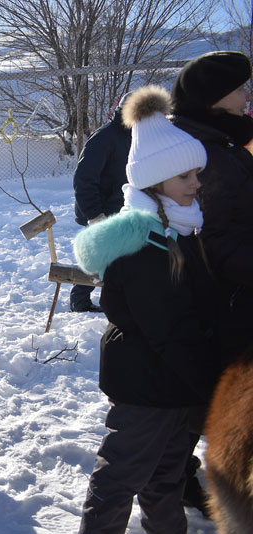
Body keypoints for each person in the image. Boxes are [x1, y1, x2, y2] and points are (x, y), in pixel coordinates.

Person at [74, 86, 222, 533]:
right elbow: (168, 329)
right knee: (119, 479)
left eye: (196, 173)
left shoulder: (181, 229)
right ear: (155, 184)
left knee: (168, 478)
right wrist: (207, 383)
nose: (196, 183)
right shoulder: (146, 248)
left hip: (178, 385)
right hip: (149, 388)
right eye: (185, 178)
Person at [170, 50, 253, 516]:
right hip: (227, 301)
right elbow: (218, 245)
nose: (247, 96)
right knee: (212, 396)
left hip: (234, 296)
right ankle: (183, 480)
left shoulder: (219, 142)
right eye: (241, 88)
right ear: (216, 98)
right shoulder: (206, 154)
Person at [70, 94, 132, 312]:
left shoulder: (133, 135)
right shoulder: (105, 137)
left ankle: (85, 300)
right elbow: (83, 178)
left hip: (120, 206)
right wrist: (94, 215)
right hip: (101, 209)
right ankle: (80, 301)